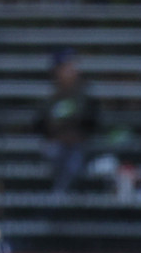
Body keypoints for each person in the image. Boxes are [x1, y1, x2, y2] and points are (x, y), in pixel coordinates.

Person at [36, 48, 99, 194]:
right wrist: (59, 134)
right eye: (66, 67)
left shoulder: (85, 95)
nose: (71, 71)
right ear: (56, 70)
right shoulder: (49, 96)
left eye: (72, 66)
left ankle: (59, 197)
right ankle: (61, 197)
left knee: (74, 159)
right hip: (56, 145)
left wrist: (73, 134)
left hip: (78, 145)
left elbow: (90, 123)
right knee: (55, 152)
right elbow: (41, 124)